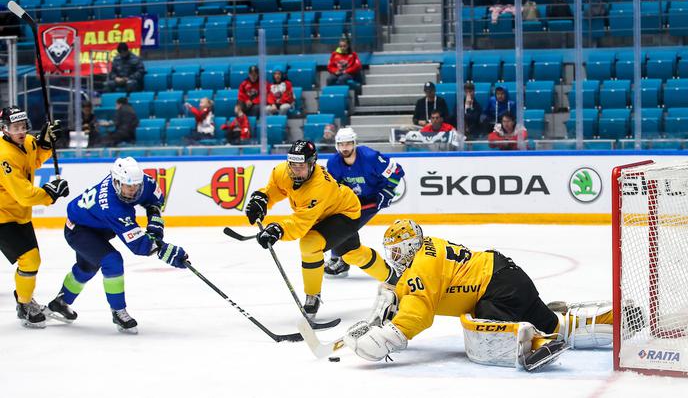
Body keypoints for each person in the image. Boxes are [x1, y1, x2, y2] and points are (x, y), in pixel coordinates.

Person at [342, 220, 629, 369]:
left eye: (396, 252)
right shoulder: (429, 246)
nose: (393, 258)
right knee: (557, 325)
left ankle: (535, 342)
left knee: (482, 333)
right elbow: (414, 290)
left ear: (408, 247)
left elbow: (418, 313)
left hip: (497, 291)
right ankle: (615, 317)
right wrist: (392, 299)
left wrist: (384, 338)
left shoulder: (422, 266)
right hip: (511, 279)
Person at [244, 140, 397, 317]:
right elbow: (276, 188)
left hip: (344, 213)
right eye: (292, 165)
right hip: (321, 214)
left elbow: (300, 225)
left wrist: (277, 229)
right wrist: (262, 198)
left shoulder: (318, 186)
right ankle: (392, 276)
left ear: (312, 164)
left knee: (310, 244)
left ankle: (312, 298)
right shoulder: (281, 171)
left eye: (301, 166)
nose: (295, 170)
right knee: (352, 253)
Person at [46, 157, 188, 334]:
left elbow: (155, 202)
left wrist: (155, 231)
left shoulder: (144, 181)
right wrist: (166, 251)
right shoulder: (112, 206)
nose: (133, 190)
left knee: (86, 268)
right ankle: (118, 311)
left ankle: (60, 302)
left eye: (136, 186)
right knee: (112, 261)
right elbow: (139, 246)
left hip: (99, 226)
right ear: (116, 182)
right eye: (129, 186)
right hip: (79, 230)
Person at [0, 107, 70, 328]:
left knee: (32, 261)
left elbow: (34, 160)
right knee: (30, 259)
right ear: (4, 129)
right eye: (15, 128)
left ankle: (23, 298)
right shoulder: (4, 156)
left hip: (19, 215)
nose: (21, 131)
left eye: (23, 126)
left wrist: (47, 145)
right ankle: (24, 304)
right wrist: (50, 194)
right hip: (3, 217)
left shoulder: (28, 141)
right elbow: (24, 195)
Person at [324, 127, 405, 277]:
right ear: (337, 145)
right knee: (337, 222)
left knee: (345, 226)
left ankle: (340, 260)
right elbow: (334, 185)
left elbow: (397, 172)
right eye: (341, 144)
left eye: (348, 144)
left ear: (354, 143)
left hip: (373, 198)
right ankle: (340, 257)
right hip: (351, 200)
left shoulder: (370, 157)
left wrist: (387, 192)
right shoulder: (334, 163)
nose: (345, 148)